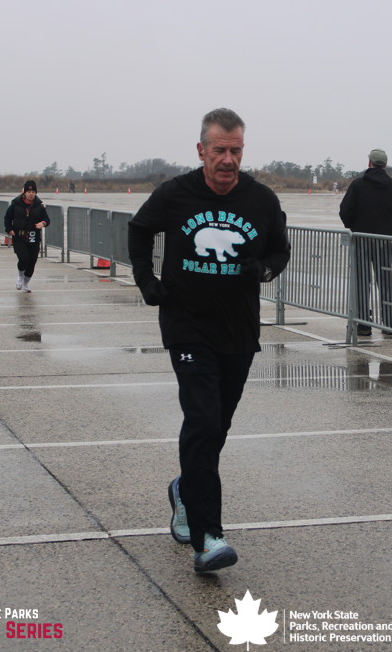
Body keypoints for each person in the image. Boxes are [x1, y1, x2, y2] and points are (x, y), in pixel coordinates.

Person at [128, 108, 290, 573]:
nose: (228, 159)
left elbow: (280, 250)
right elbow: (139, 231)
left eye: (236, 150)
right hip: (187, 326)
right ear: (201, 151)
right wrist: (146, 280)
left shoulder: (261, 200)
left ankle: (185, 489)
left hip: (238, 330)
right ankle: (208, 538)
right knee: (201, 420)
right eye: (219, 150)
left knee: (216, 427)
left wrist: (263, 270)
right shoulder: (175, 194)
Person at [339, 148, 392, 337]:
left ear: (370, 163)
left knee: (362, 281)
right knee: (385, 281)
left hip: (361, 239)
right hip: (383, 240)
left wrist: (354, 226)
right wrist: (386, 225)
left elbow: (345, 211)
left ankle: (363, 324)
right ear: (384, 164)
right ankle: (390, 323)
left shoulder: (357, 185)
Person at [3, 180, 50, 292]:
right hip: (19, 236)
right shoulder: (16, 204)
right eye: (29, 192)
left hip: (33, 236)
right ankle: (20, 277)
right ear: (24, 192)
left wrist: (43, 223)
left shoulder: (39, 206)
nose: (31, 194)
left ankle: (26, 283)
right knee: (24, 259)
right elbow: (7, 217)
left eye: (33, 192)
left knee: (32, 262)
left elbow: (47, 219)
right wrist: (9, 229)